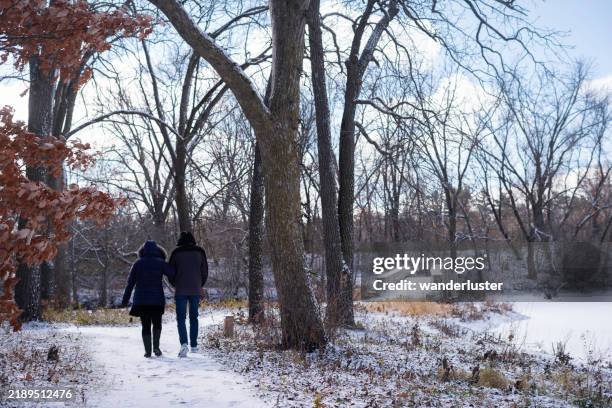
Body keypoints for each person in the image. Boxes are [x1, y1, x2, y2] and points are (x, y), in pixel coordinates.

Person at [121, 240, 175, 358]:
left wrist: (124, 300)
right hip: (157, 300)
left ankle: (147, 351)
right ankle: (156, 348)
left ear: (143, 251)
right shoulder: (161, 263)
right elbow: (172, 273)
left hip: (141, 300)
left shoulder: (138, 263)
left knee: (145, 325)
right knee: (157, 323)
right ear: (157, 250)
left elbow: (130, 284)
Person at [169, 231, 208, 358]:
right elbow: (205, 271)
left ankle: (184, 343)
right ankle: (194, 345)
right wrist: (200, 284)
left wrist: (175, 283)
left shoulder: (176, 253)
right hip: (195, 289)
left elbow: (171, 272)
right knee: (194, 317)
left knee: (181, 317)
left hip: (180, 289)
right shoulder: (200, 252)